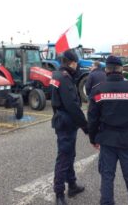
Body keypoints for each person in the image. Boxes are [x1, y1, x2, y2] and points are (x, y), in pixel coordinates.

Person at [87, 55, 128, 205]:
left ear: (106, 70)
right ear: (121, 69)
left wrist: (93, 138)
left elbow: (92, 118)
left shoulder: (98, 91)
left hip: (107, 141)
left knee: (107, 178)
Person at [50, 49, 89, 205]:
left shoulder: (56, 75)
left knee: (69, 155)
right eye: (76, 63)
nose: (77, 66)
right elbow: (72, 106)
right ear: (71, 63)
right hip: (66, 121)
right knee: (64, 157)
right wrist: (86, 126)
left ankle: (72, 184)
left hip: (61, 119)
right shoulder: (65, 78)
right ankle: (59, 193)